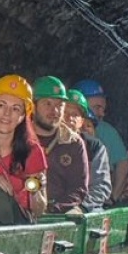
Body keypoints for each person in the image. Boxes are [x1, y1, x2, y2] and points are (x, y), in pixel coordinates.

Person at [0, 74, 48, 224]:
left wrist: (36, 190)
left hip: (17, 222)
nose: (7, 113)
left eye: (15, 109)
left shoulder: (32, 151)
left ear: (22, 116)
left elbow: (39, 210)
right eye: (1, 105)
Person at [30, 76, 90, 214]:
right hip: (24, 207)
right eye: (48, 104)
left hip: (61, 210)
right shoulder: (19, 138)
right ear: (33, 106)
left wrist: (54, 209)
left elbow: (78, 189)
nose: (55, 111)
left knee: (75, 217)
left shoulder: (73, 143)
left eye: (60, 105)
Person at [72, 79, 128, 201]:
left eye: (103, 109)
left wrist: (113, 198)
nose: (102, 113)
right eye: (97, 107)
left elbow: (123, 164)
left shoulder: (106, 131)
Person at [65, 89, 112, 210]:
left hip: (86, 211)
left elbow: (101, 186)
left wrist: (81, 208)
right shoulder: (45, 143)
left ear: (82, 121)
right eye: (65, 113)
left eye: (75, 115)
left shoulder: (95, 147)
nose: (70, 118)